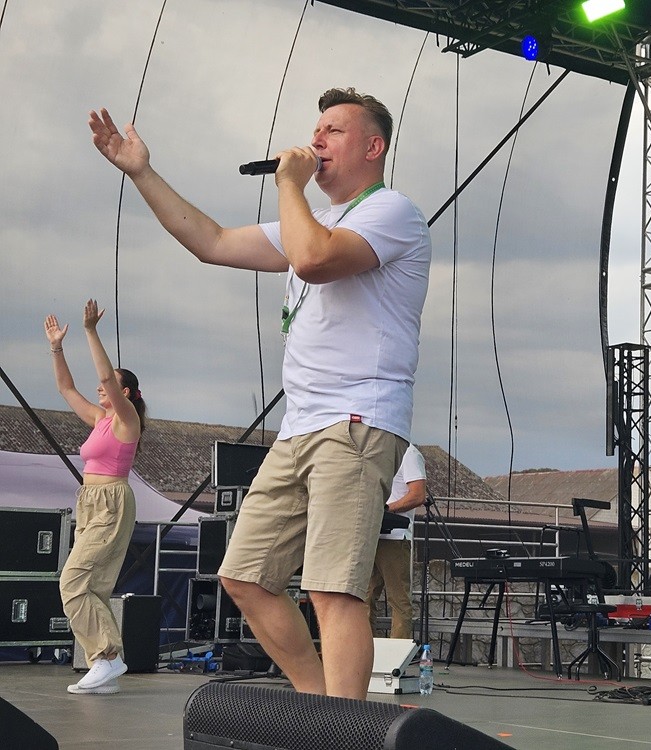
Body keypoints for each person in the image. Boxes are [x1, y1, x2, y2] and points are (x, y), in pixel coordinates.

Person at [88, 87, 430, 700]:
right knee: (245, 576)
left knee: (332, 588)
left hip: (357, 419)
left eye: (334, 130)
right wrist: (141, 172)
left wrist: (290, 184)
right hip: (300, 427)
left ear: (373, 147)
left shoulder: (392, 211)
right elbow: (212, 242)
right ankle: (318, 706)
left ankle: (345, 729)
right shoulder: (311, 220)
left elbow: (314, 260)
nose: (316, 139)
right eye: (315, 129)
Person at [45, 299, 146, 696]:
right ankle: (104, 666)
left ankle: (106, 657)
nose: (99, 387)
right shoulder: (100, 419)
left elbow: (104, 374)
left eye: (109, 386)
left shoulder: (126, 420)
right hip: (89, 501)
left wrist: (90, 331)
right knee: (93, 587)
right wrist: (56, 347)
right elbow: (66, 388)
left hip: (111, 502)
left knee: (72, 581)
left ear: (124, 392)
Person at [366, 444, 426, 640]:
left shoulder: (409, 453)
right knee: (362, 599)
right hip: (370, 536)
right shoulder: (376, 450)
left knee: (398, 600)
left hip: (395, 538)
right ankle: (364, 651)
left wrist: (385, 510)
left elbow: (418, 495)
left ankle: (398, 653)